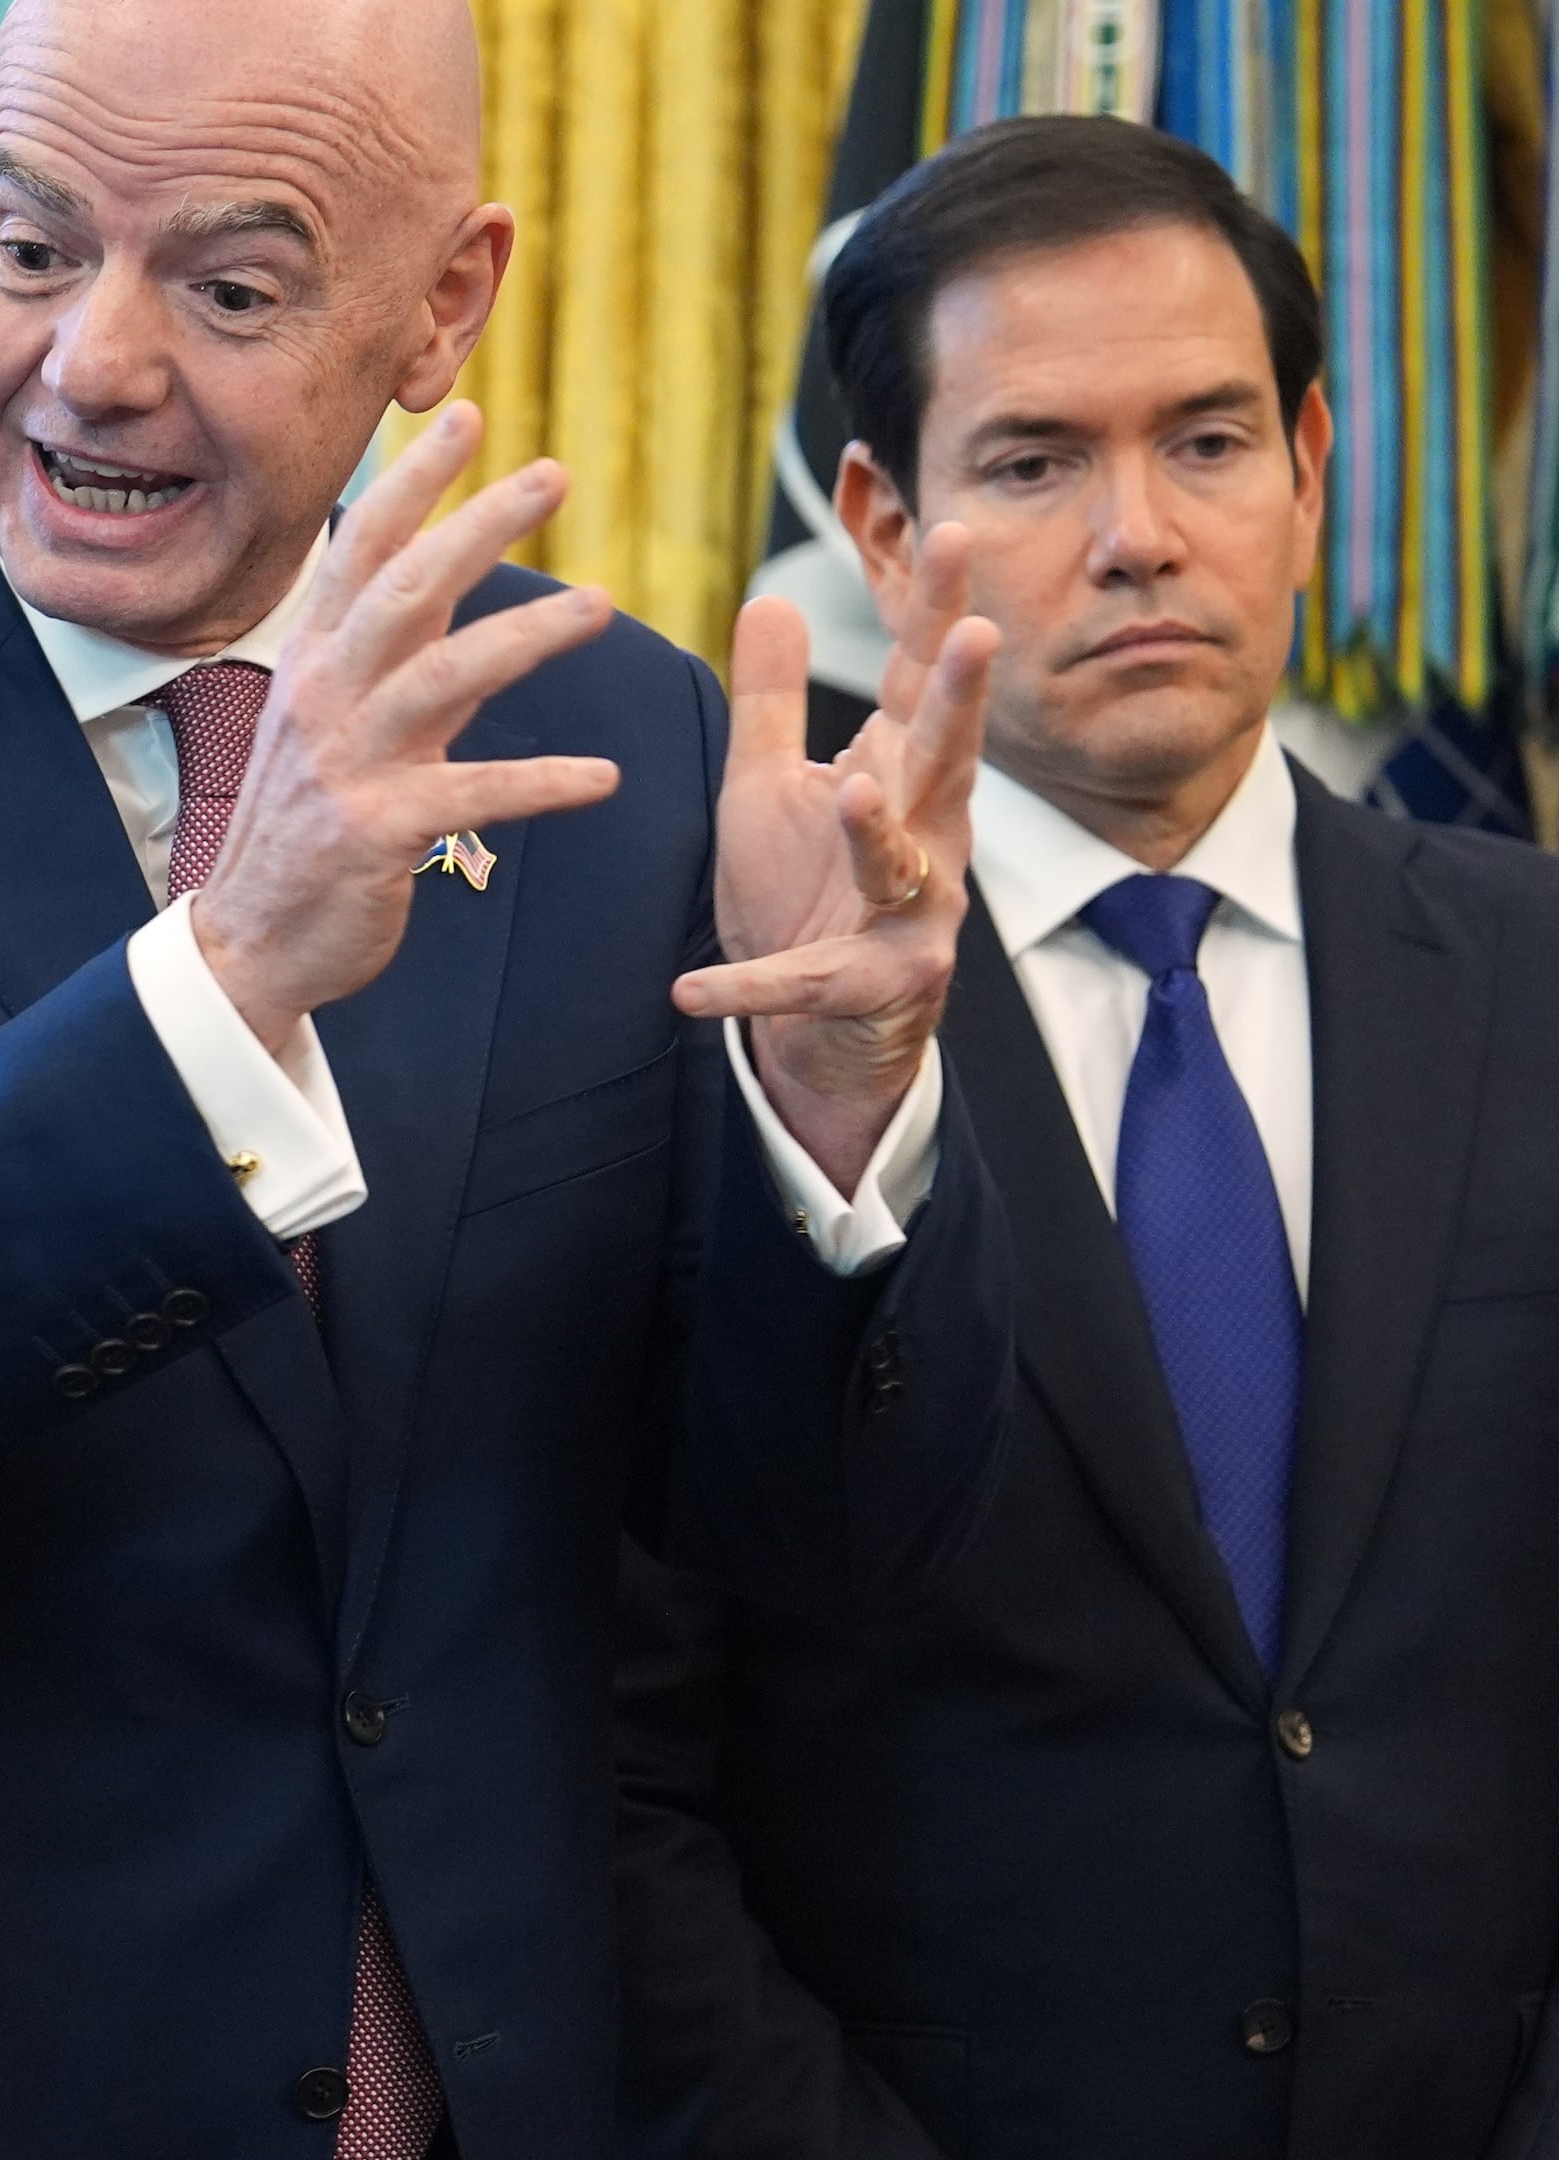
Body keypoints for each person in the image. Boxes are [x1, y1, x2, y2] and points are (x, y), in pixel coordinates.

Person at [0, 0, 1016, 2151]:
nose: (90, 360)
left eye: (229, 286)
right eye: (28, 246)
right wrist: (221, 986)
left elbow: (795, 1555)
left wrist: (838, 1112)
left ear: (443, 303)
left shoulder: (612, 747)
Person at [614, 116, 1559, 2160]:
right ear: (880, 524)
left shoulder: (1536, 972)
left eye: (1209, 443)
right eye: (1034, 462)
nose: (1138, 533)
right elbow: (613, 1775)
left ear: (1313, 468)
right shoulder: (709, 1017)